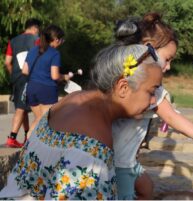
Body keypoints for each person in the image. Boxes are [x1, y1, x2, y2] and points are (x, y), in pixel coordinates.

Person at [0, 43, 163, 199]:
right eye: (152, 91)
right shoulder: (93, 148)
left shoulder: (71, 99)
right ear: (123, 87)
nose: (154, 101)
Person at [112, 12, 193, 200]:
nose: (169, 66)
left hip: (127, 160)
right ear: (148, 50)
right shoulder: (141, 86)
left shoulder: (131, 78)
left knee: (146, 190)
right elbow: (172, 117)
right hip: (120, 163)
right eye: (168, 58)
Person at [22, 25, 72, 139]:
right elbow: (54, 76)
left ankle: (36, 147)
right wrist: (64, 77)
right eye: (62, 40)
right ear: (56, 40)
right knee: (43, 120)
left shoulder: (33, 50)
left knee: (40, 119)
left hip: (31, 88)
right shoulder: (54, 53)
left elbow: (25, 71)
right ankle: (28, 142)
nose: (62, 42)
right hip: (46, 90)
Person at [4, 18, 41, 148]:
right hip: (30, 78)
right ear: (35, 28)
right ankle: (12, 138)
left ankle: (26, 135)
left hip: (16, 78)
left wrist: (13, 74)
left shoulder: (13, 41)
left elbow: (7, 62)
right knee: (21, 108)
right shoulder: (37, 40)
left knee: (22, 106)